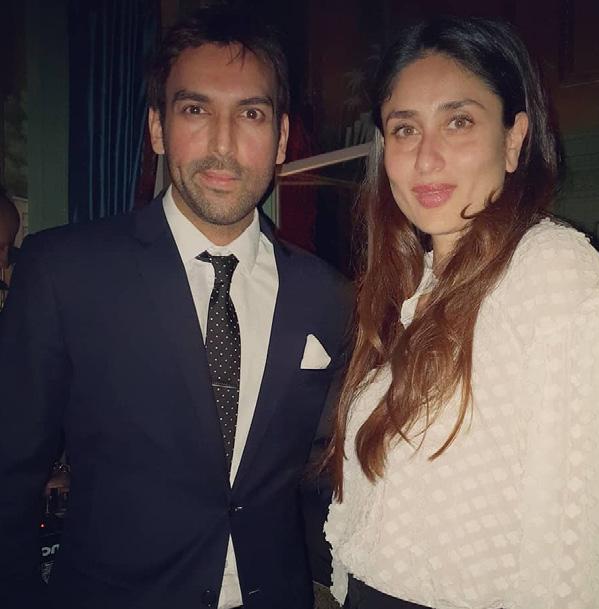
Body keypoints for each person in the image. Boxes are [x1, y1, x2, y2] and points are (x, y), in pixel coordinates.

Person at [0, 7, 351, 609]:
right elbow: (10, 472)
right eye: (195, 110)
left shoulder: (329, 296)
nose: (223, 143)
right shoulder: (64, 272)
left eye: (251, 113)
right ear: (157, 128)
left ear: (281, 138)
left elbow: (327, 474)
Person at [324, 16, 599, 609]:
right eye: (405, 129)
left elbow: (582, 542)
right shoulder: (410, 289)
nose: (426, 159)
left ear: (514, 140)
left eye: (458, 122)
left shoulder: (553, 272)